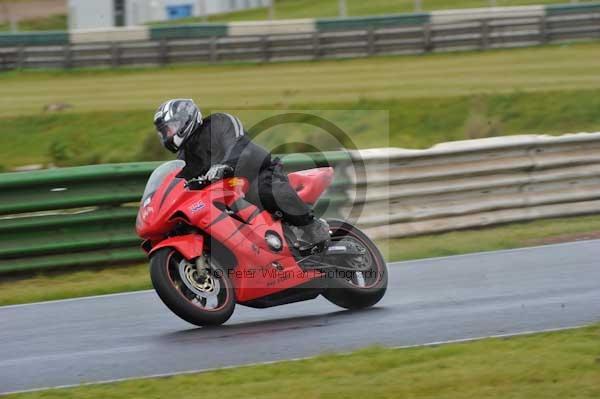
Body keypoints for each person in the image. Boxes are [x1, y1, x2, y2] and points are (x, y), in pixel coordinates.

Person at [153, 99, 330, 250]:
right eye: (163, 132)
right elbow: (181, 181)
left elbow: (238, 144)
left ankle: (312, 227)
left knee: (264, 191)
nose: (166, 135)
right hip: (225, 191)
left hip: (256, 172)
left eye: (168, 129)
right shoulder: (185, 156)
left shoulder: (219, 122)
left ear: (184, 120)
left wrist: (225, 165)